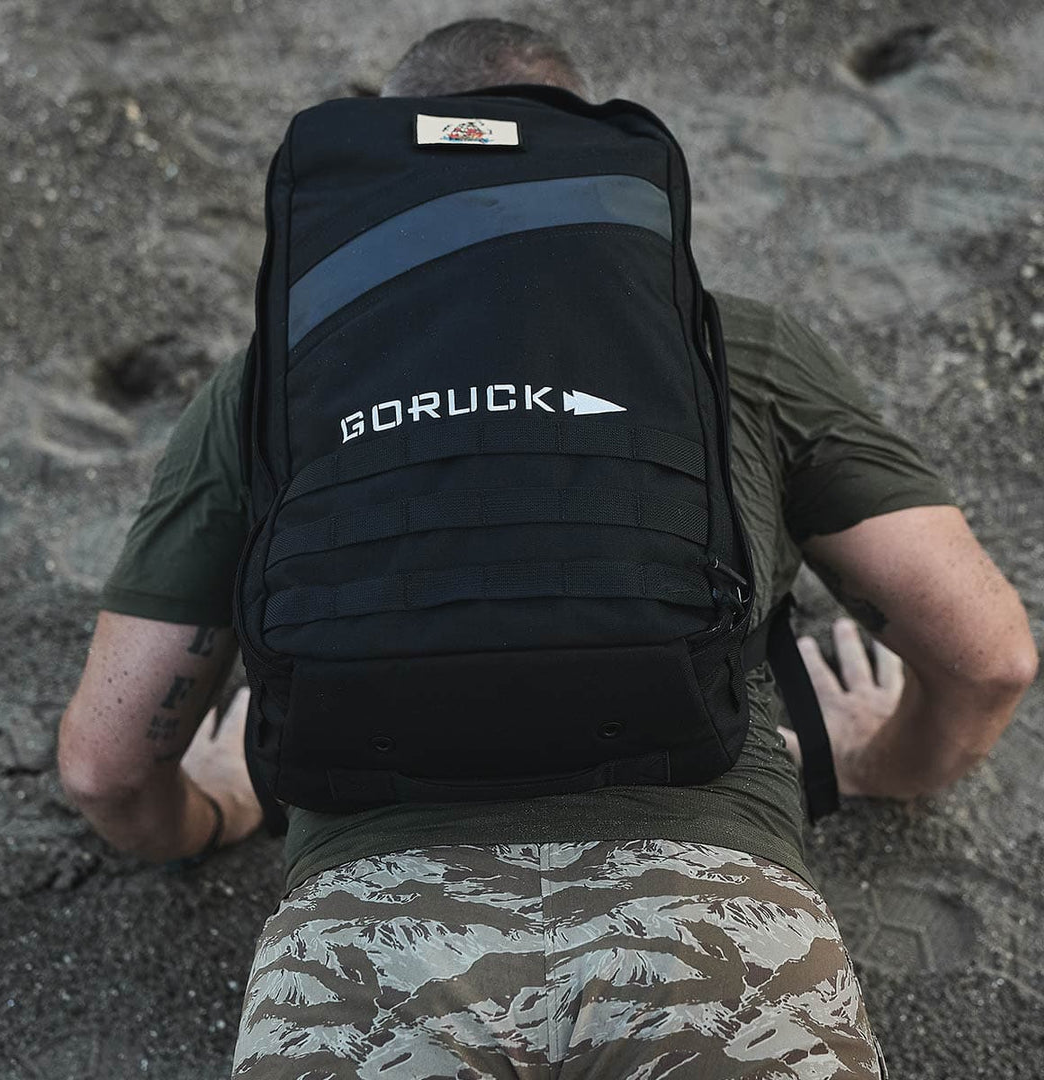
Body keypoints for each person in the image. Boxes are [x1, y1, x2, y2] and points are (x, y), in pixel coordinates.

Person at [57, 18, 1037, 1080]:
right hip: (716, 935)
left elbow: (108, 770)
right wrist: (879, 762)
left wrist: (206, 812)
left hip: (366, 960)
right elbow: (990, 660)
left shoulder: (269, 387)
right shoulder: (740, 345)